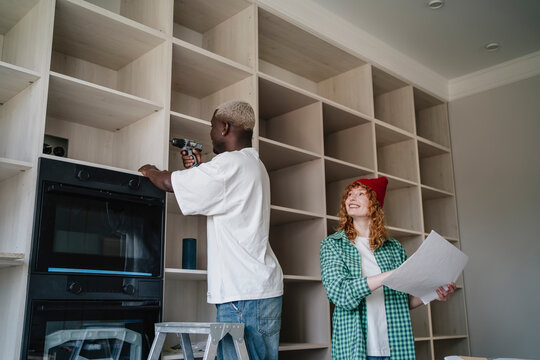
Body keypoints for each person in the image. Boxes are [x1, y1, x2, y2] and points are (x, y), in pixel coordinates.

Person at [139, 101, 283, 360]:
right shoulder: (253, 164)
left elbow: (167, 182)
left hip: (243, 294)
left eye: (212, 126)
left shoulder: (229, 165)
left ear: (225, 127)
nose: (211, 133)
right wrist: (196, 170)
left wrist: (150, 170)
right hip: (260, 289)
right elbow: (213, 196)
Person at [320, 177, 456, 360]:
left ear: (375, 204)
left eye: (361, 194)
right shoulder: (333, 245)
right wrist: (388, 276)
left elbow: (402, 301)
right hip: (355, 348)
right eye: (349, 194)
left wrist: (434, 293)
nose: (352, 198)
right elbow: (340, 294)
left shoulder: (394, 248)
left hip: (396, 347)